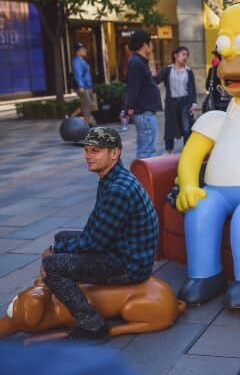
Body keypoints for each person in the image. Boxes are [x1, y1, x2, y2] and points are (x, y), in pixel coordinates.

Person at [41, 127, 159, 340]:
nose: (88, 156)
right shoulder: (111, 179)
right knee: (62, 237)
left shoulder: (118, 190)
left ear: (115, 153)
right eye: (86, 150)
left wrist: (54, 252)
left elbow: (94, 242)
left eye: (95, 150)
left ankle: (92, 325)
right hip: (120, 249)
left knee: (52, 266)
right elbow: (95, 228)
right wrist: (61, 246)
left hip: (128, 265)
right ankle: (72, 292)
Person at [125, 30, 163, 159]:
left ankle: (141, 177)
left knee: (145, 147)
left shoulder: (139, 61)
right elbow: (133, 87)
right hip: (144, 111)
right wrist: (128, 107)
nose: (152, 47)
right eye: (150, 43)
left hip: (145, 111)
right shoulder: (136, 62)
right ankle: (144, 178)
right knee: (147, 150)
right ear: (144, 45)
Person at [156, 46, 197, 154]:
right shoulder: (167, 70)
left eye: (186, 55)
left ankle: (187, 150)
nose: (185, 57)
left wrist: (194, 103)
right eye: (183, 54)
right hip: (171, 103)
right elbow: (155, 81)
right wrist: (148, 75)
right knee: (169, 128)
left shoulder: (189, 71)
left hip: (185, 102)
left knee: (186, 127)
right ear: (175, 55)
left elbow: (192, 89)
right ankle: (168, 150)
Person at [71, 42, 97, 126]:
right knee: (87, 105)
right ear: (77, 52)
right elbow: (78, 74)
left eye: (84, 49)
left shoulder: (83, 60)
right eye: (82, 50)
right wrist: (81, 86)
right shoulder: (76, 61)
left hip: (87, 86)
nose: (84, 51)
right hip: (83, 87)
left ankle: (72, 117)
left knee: (88, 104)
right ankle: (86, 123)